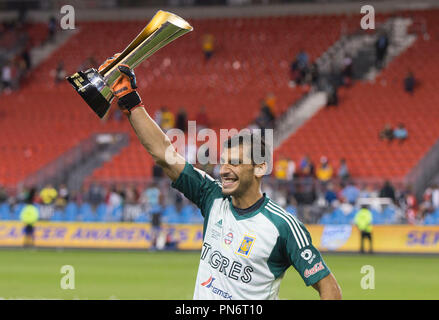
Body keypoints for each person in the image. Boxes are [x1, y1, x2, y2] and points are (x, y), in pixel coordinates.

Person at [94, 55, 342, 300]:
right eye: (223, 162)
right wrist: (129, 100)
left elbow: (329, 288)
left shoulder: (283, 226)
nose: (223, 170)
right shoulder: (211, 195)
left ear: (259, 168)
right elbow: (163, 154)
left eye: (234, 163)